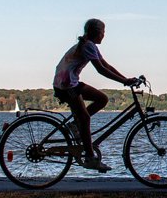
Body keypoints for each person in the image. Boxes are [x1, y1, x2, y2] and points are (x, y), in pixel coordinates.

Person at [52, 18, 138, 171]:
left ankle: (74, 124)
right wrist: (123, 82)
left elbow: (106, 64)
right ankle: (90, 158)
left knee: (102, 99)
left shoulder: (90, 44)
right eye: (103, 32)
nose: (104, 35)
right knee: (84, 118)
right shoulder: (87, 45)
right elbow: (101, 69)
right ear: (96, 33)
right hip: (66, 85)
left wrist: (125, 79)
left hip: (69, 82)